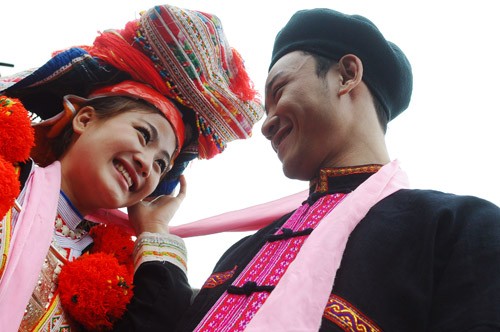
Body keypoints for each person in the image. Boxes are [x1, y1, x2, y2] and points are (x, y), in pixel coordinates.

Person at [152, 7, 500, 331]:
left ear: (347, 75)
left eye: (280, 89)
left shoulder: (457, 227)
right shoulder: (240, 252)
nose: (266, 125)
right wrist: (153, 229)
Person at [0, 4, 263, 332]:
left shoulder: (108, 276)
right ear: (84, 118)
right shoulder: (8, 176)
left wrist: (153, 229)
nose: (146, 163)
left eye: (160, 164)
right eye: (143, 134)